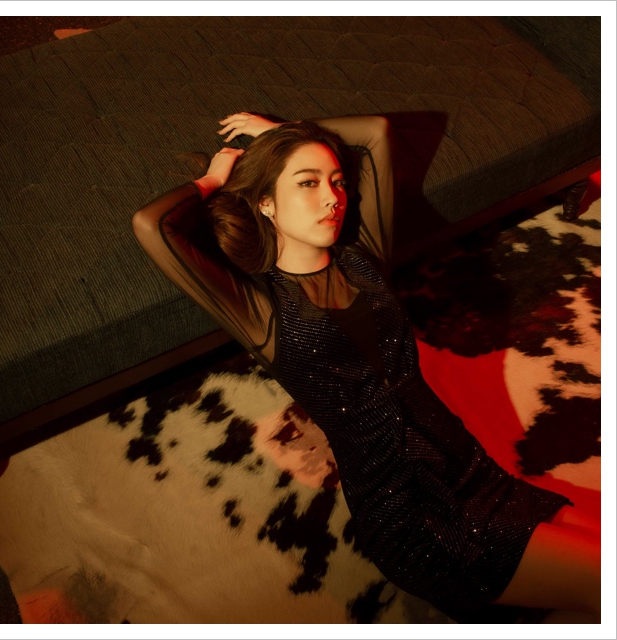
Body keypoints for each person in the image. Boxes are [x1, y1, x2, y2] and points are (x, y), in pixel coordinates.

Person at [132, 113, 600, 623]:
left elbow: (376, 134)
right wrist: (214, 179)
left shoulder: (363, 259)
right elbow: (154, 225)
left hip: (473, 470)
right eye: (307, 183)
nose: (332, 198)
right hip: (413, 514)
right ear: (265, 202)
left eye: (337, 182)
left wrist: (283, 132)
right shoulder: (261, 310)